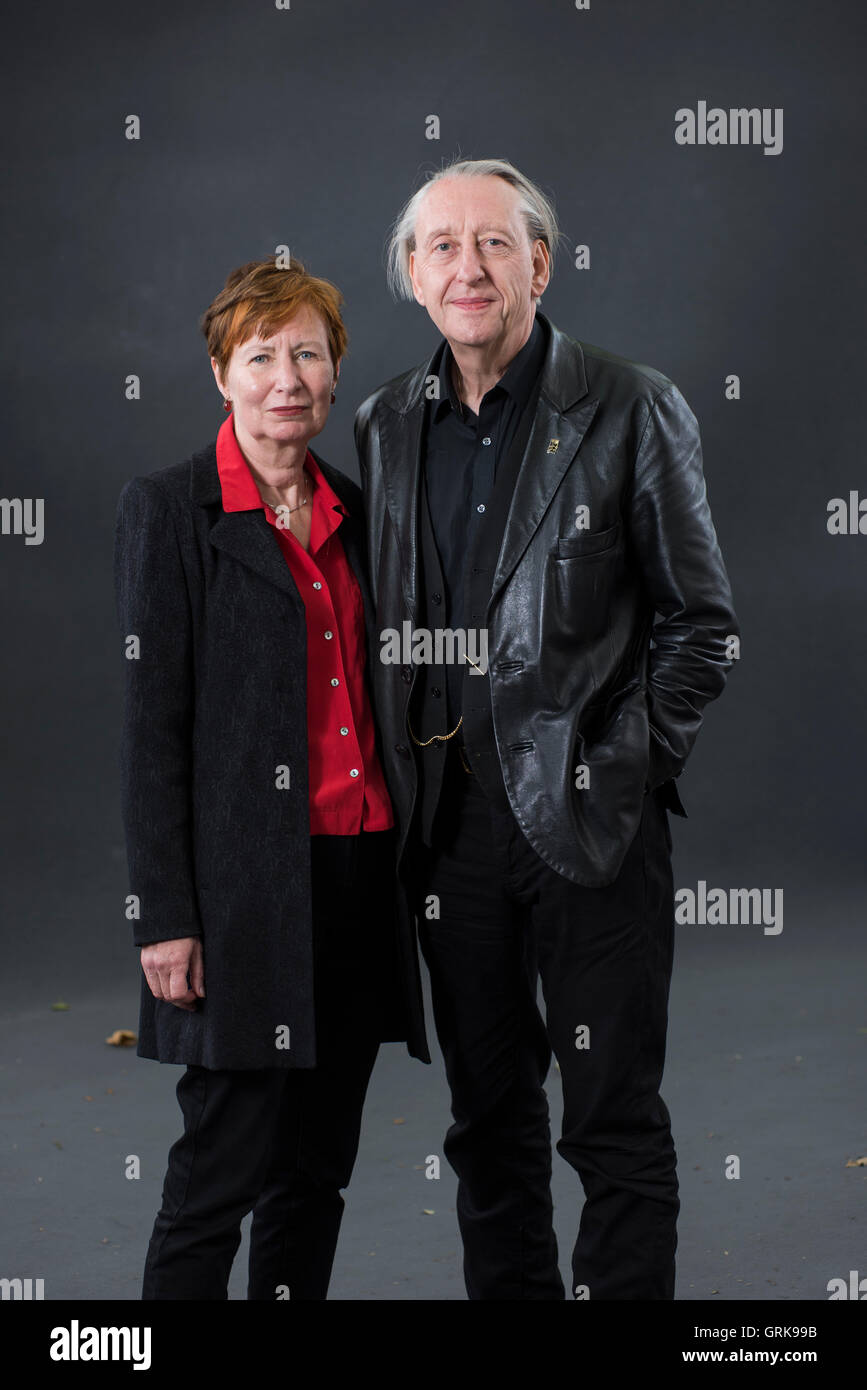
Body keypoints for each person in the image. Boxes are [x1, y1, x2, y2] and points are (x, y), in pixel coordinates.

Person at [355, 158, 739, 1300]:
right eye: (440, 246)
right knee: (489, 1121)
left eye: (492, 243)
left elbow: (702, 628)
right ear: (413, 275)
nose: (466, 266)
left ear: (541, 263)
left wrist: (617, 771)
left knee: (612, 1120)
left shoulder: (630, 404)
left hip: (589, 826)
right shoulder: (385, 424)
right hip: (446, 833)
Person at [114, 255, 428, 1301]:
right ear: (221, 373)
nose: (287, 375)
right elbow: (151, 730)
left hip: (356, 880)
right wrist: (167, 916)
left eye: (308, 351)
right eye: (262, 355)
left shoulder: (355, 507)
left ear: (336, 372)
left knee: (314, 1174)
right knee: (219, 1174)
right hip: (246, 897)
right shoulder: (172, 512)